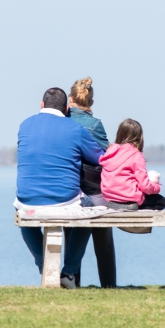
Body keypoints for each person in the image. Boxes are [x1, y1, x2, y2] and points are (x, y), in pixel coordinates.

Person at [15, 87, 104, 288]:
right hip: (65, 200)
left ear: (41, 105)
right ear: (66, 108)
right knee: (91, 211)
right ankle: (69, 272)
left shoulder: (24, 125)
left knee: (21, 211)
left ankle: (44, 265)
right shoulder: (75, 129)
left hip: (26, 200)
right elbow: (100, 157)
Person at [64, 77, 116, 288]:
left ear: (70, 99)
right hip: (95, 190)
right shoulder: (95, 125)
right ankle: (109, 285)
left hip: (71, 188)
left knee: (72, 239)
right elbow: (107, 156)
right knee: (103, 242)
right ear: (90, 102)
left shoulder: (63, 122)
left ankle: (72, 282)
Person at [100, 119, 165, 211]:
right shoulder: (136, 155)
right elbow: (145, 186)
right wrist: (156, 187)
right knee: (162, 201)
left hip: (111, 199)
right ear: (139, 137)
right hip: (130, 199)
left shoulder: (110, 152)